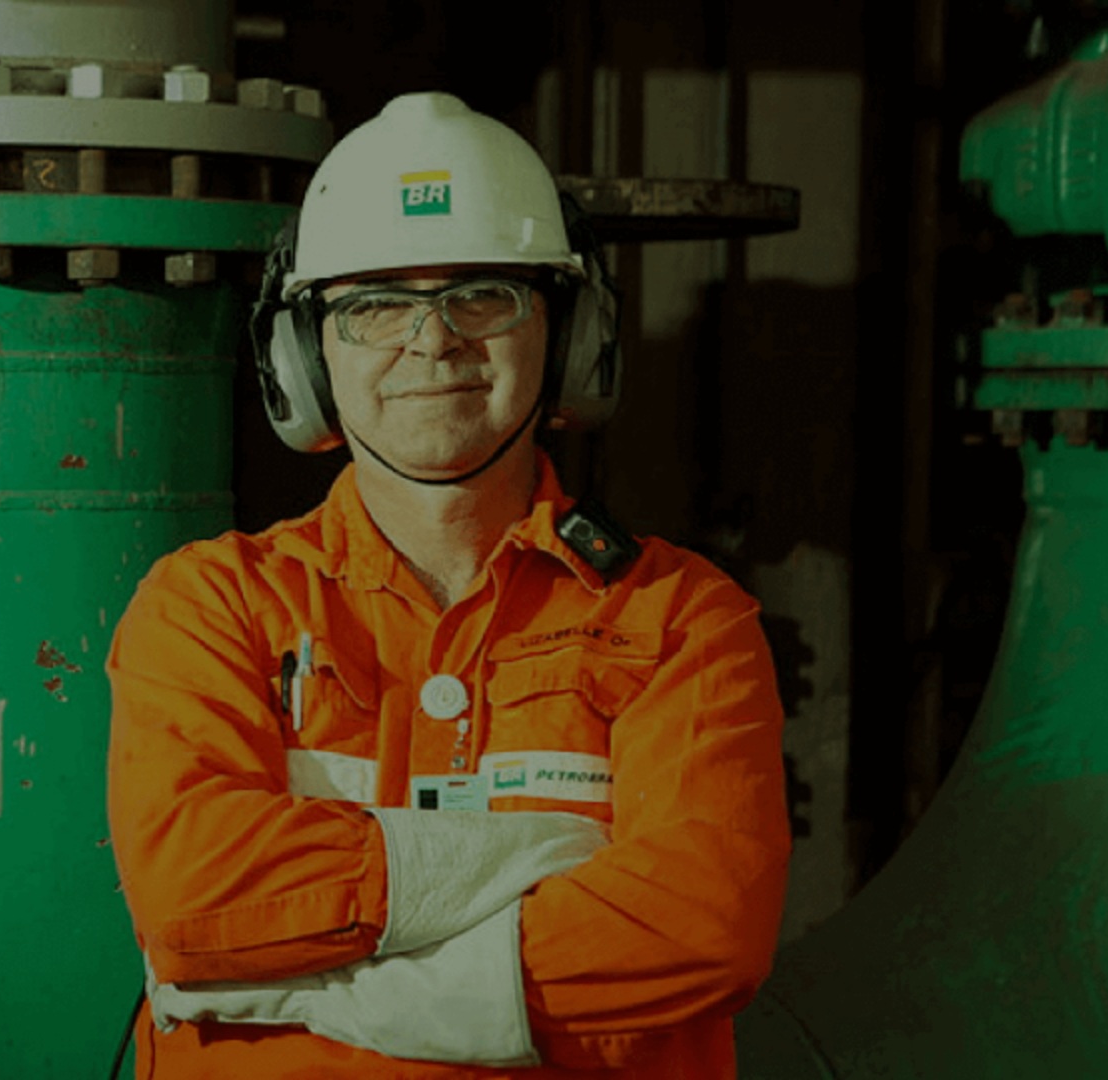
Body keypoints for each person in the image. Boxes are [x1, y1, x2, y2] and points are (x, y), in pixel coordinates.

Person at [105, 91, 789, 1078]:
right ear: (302, 357)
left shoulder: (679, 620)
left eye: (483, 295)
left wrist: (314, 987)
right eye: (373, 304)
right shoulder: (210, 609)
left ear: (568, 334)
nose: (431, 342)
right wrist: (542, 856)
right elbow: (188, 896)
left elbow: (704, 925)